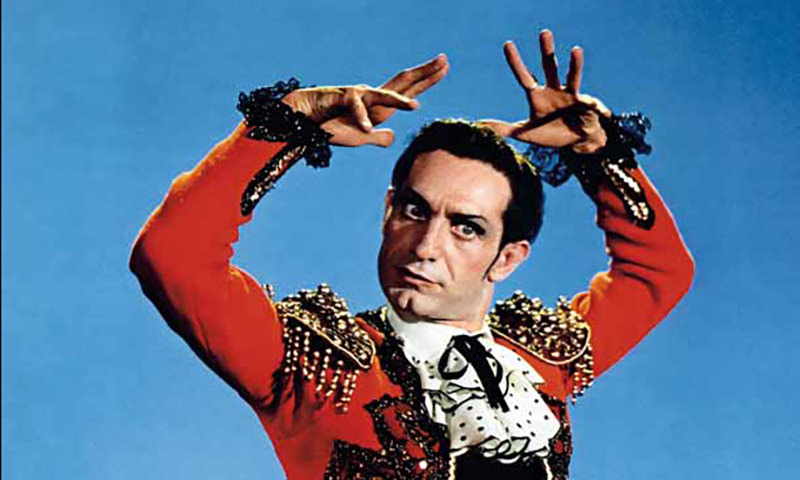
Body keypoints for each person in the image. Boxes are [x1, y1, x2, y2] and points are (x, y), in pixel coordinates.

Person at [130, 29, 694, 479]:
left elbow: (659, 271)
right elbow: (173, 255)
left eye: (465, 228)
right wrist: (288, 124)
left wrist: (599, 155)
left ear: (507, 258)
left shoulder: (543, 357)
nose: (425, 247)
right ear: (387, 211)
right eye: (414, 210)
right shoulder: (321, 367)